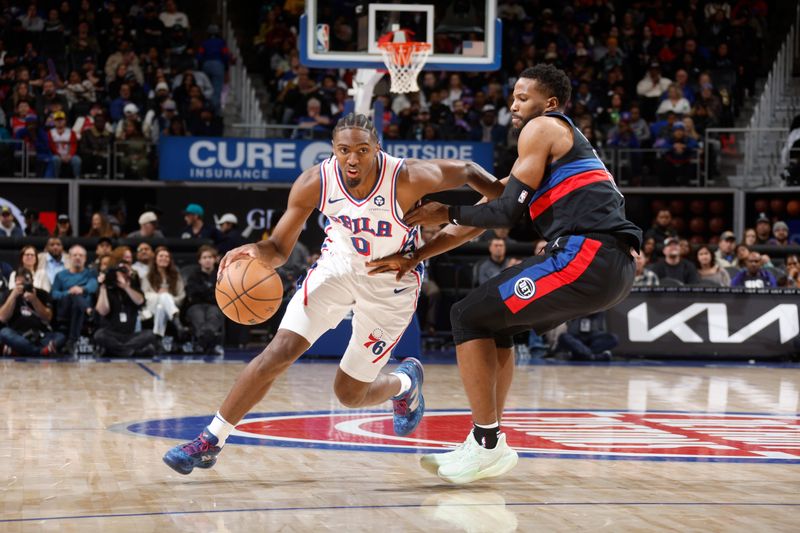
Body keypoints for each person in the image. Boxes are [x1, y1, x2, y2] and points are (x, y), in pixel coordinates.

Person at [163, 112, 503, 476]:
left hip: (391, 284)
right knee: (278, 352)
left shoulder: (408, 177)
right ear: (333, 150)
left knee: (349, 393)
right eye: (344, 150)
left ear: (377, 148)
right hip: (338, 267)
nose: (352, 159)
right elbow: (278, 247)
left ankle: (405, 383)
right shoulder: (315, 182)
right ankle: (211, 440)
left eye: (361, 150)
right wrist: (257, 252)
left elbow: (472, 175)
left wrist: (474, 208)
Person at [368, 65, 642, 484]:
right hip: (606, 265)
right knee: (495, 326)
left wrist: (445, 208)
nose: (514, 104)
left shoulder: (543, 128)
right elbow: (481, 217)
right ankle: (486, 440)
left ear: (548, 104)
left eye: (523, 97)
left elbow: (504, 214)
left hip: (588, 253)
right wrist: (416, 255)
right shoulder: (541, 159)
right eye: (512, 97)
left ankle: (488, 442)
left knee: (466, 315)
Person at [93, 261, 158, 357]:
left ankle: (116, 351)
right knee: (99, 335)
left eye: (125, 271)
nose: (122, 274)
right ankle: (132, 352)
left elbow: (139, 301)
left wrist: (126, 287)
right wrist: (103, 287)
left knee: (150, 334)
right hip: (112, 334)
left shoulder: (134, 288)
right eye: (120, 271)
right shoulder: (107, 288)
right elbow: (102, 311)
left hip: (130, 335)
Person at [0, 268, 64, 356]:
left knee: (60, 337)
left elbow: (48, 318)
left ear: (32, 281)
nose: (24, 286)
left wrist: (34, 300)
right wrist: (13, 296)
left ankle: (19, 350)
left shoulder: (43, 294)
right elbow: (2, 318)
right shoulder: (8, 294)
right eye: (20, 283)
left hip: (40, 334)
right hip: (17, 334)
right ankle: (40, 352)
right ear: (15, 282)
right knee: (4, 332)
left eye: (26, 282)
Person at [51, 245, 97, 355]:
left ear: (85, 258)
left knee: (77, 298)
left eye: (81, 255)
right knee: (74, 296)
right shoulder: (60, 275)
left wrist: (81, 289)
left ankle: (72, 341)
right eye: (75, 255)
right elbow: (54, 294)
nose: (78, 257)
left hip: (80, 309)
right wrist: (69, 292)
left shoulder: (90, 274)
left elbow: (93, 286)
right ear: (69, 258)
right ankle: (89, 311)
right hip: (65, 310)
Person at [184, 245, 224, 355]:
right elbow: (192, 293)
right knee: (198, 316)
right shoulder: (193, 276)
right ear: (200, 260)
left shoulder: (221, 276)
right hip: (196, 305)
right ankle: (210, 344)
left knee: (213, 314)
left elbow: (221, 296)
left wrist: (203, 291)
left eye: (210, 257)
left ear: (215, 259)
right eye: (204, 257)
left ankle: (200, 344)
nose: (207, 260)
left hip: (213, 306)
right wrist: (210, 291)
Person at [141, 246, 187, 339]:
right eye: (161, 256)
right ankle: (175, 319)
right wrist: (160, 296)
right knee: (163, 297)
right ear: (155, 259)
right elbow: (144, 295)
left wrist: (168, 298)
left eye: (167, 256)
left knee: (161, 308)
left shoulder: (176, 276)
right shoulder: (148, 276)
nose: (164, 258)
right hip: (150, 307)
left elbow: (181, 296)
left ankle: (158, 338)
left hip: (170, 305)